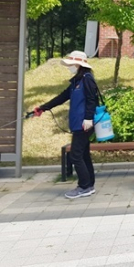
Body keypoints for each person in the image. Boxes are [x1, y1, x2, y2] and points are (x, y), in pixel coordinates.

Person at [34, 51, 99, 199]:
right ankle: (89, 185)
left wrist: (88, 118)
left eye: (71, 64)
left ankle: (84, 186)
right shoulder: (76, 81)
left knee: (75, 155)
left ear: (79, 65)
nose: (69, 67)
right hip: (78, 123)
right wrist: (43, 108)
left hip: (84, 124)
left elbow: (91, 100)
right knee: (83, 155)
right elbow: (62, 97)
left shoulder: (87, 79)